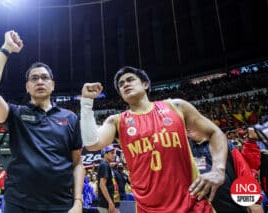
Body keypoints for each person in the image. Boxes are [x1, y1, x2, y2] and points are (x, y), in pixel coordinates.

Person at [80, 66, 228, 212]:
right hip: (149, 209)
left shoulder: (176, 106)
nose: (125, 84)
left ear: (145, 84)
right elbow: (92, 144)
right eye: (121, 84)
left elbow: (215, 132)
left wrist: (219, 170)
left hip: (193, 205)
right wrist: (86, 102)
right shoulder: (117, 121)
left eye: (130, 79)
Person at [0, 30, 84, 213]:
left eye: (45, 78)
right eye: (34, 78)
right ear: (27, 87)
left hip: (61, 206)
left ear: (53, 84)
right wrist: (6, 49)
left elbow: (77, 163)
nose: (40, 81)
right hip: (19, 205)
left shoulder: (70, 118)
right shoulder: (17, 114)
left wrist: (78, 201)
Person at [188, 129, 264, 213]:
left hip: (235, 206)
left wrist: (253, 202)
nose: (188, 128)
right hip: (206, 208)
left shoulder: (224, 144)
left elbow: (242, 171)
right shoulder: (186, 151)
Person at [97, 145, 120, 213]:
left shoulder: (107, 165)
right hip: (106, 205)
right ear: (105, 154)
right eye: (112, 153)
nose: (114, 155)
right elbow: (102, 185)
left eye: (114, 153)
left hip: (110, 203)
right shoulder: (104, 165)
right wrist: (110, 202)